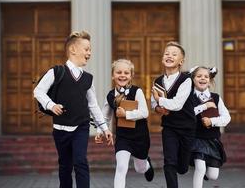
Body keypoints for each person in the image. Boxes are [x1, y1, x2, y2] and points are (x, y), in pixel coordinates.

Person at [33, 31, 113, 188]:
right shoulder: (56, 72)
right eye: (86, 49)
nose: (89, 53)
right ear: (73, 50)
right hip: (60, 129)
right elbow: (38, 91)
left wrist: (104, 127)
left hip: (81, 127)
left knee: (80, 161)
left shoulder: (88, 78)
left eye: (90, 50)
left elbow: (93, 105)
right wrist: (51, 105)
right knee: (65, 166)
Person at [96, 59, 154, 188]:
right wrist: (100, 131)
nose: (122, 75)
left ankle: (147, 165)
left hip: (140, 136)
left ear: (131, 76)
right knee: (121, 167)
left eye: (126, 73)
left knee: (140, 168)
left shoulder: (137, 91)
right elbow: (105, 116)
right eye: (118, 72)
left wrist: (126, 115)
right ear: (113, 75)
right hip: (123, 137)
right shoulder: (110, 96)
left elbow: (145, 113)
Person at [151, 41, 197, 188]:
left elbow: (177, 104)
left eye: (174, 54)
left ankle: (186, 163)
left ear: (181, 61)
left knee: (182, 168)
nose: (169, 56)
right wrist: (159, 108)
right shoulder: (158, 81)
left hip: (187, 127)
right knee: (169, 161)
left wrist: (160, 100)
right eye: (166, 53)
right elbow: (153, 104)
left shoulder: (186, 80)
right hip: (169, 127)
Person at [189, 66, 231, 188]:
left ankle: (207, 171)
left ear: (210, 80)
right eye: (199, 76)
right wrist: (204, 106)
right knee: (200, 168)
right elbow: (188, 114)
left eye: (206, 76)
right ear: (193, 79)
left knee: (213, 175)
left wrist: (212, 121)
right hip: (196, 138)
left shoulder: (216, 97)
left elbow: (226, 118)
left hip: (212, 139)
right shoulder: (189, 98)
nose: (203, 79)